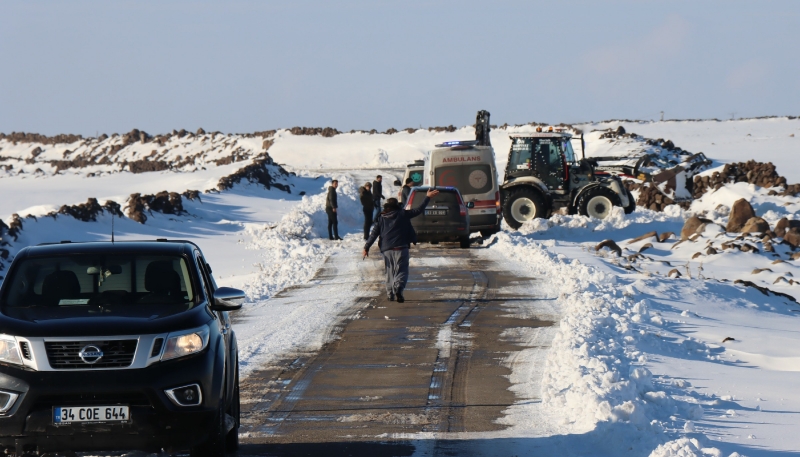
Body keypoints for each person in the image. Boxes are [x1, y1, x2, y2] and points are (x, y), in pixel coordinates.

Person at [363, 189, 440, 303]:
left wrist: (366, 247)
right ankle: (399, 288)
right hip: (401, 247)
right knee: (402, 270)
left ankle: (390, 294)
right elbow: (418, 210)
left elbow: (374, 234)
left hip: (387, 249)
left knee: (389, 271)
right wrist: (427, 197)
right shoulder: (403, 214)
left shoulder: (381, 218)